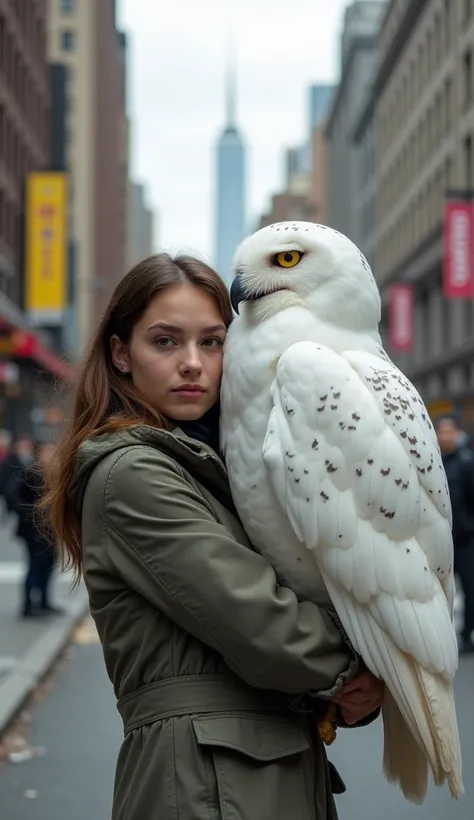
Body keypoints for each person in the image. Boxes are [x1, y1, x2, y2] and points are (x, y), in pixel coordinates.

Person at [41, 253, 383, 820]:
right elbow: (257, 618)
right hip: (206, 783)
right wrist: (362, 667)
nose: (193, 364)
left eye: (213, 341)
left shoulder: (213, 462)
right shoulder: (132, 473)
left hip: (251, 770)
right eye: (166, 342)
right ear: (121, 353)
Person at [436, 414, 474, 654]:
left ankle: (466, 634)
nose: (446, 436)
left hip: (466, 540)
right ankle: (443, 638)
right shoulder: (434, 462)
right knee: (440, 593)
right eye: (442, 431)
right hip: (442, 541)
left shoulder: (467, 462)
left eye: (450, 431)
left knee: (470, 589)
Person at [12, 442, 61, 618]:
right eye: (48, 452)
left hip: (51, 530)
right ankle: (28, 605)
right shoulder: (30, 472)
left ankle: (44, 601)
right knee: (34, 565)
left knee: (49, 565)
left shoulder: (57, 475)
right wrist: (32, 516)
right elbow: (16, 499)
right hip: (32, 531)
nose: (51, 456)